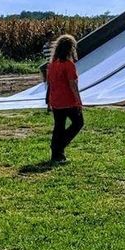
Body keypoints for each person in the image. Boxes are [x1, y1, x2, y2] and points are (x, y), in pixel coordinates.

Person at [46, 34, 85, 165]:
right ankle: (60, 146)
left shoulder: (52, 65)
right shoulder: (69, 65)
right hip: (68, 100)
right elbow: (73, 85)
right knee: (78, 123)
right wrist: (78, 101)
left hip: (56, 100)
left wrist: (49, 101)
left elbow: (50, 84)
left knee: (59, 126)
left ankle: (56, 153)